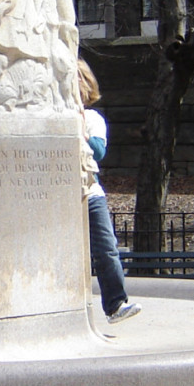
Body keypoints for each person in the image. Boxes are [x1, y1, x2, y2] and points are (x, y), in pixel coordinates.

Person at [79, 60, 141, 325]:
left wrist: (80, 128)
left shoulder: (93, 119)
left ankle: (115, 304)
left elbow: (99, 152)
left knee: (106, 248)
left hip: (90, 193)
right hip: (57, 196)